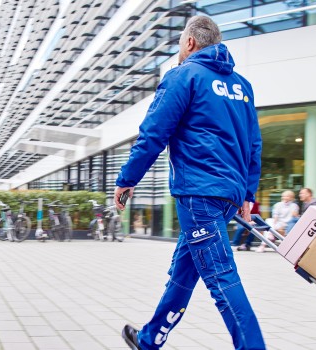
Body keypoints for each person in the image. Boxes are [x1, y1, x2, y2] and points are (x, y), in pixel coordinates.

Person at [113, 16, 265, 350]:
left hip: (199, 193)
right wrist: (248, 195)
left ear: (190, 43)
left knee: (221, 277)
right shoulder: (242, 86)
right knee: (185, 270)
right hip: (227, 195)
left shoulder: (183, 76)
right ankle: (150, 339)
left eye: (181, 43)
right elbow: (254, 144)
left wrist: (127, 179)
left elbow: (154, 133)